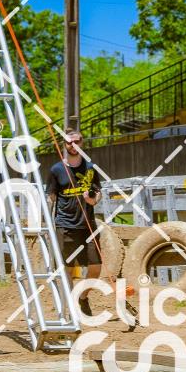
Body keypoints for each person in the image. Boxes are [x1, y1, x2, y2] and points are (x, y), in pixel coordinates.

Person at [45, 128, 103, 316]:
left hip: (88, 225)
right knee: (68, 269)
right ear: (64, 144)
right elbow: (51, 197)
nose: (73, 145)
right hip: (65, 225)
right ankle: (71, 309)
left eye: (76, 141)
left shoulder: (90, 167)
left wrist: (92, 200)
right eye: (69, 142)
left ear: (82, 142)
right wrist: (45, 221)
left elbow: (98, 192)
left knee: (96, 267)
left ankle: (83, 297)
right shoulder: (56, 170)